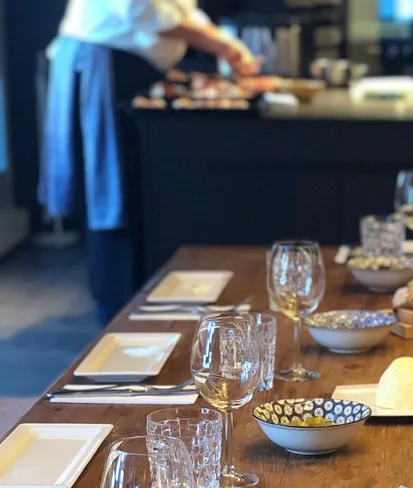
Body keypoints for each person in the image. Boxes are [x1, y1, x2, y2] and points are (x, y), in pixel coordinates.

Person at [41, 0, 259, 322]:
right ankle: (118, 325)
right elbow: (139, 9)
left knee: (134, 194)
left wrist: (227, 44)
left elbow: (179, 10)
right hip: (103, 61)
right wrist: (222, 45)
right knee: (114, 196)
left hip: (126, 64)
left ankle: (142, 315)